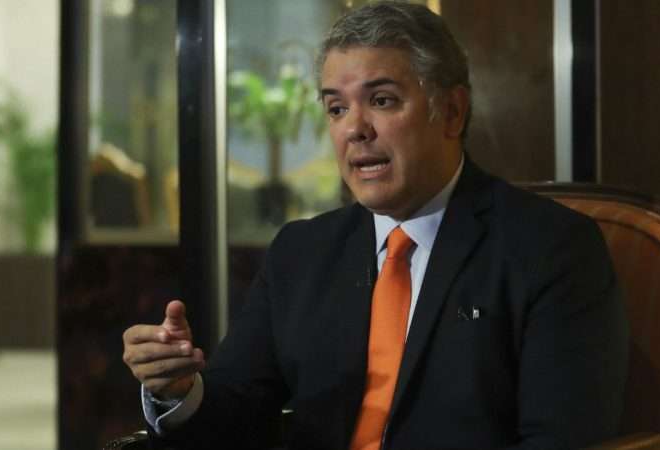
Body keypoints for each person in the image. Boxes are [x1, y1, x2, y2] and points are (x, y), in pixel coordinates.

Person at [122, 2, 628, 449]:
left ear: (452, 112)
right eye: (336, 108)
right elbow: (236, 412)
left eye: (382, 100)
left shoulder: (550, 248)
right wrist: (179, 392)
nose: (354, 129)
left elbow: (561, 440)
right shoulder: (302, 251)